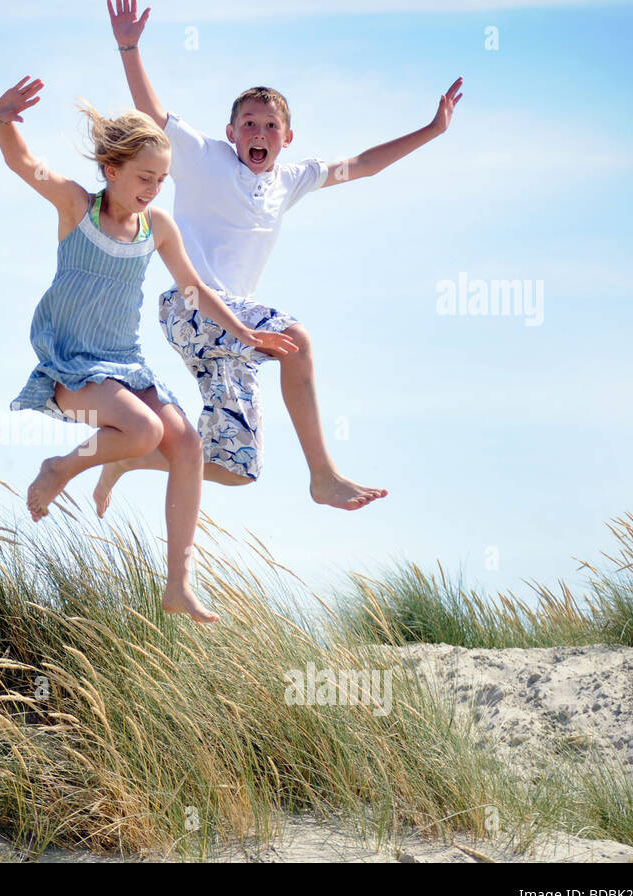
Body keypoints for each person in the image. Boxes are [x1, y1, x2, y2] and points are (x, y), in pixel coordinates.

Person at [100, 0, 462, 514]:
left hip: (234, 335)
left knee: (237, 467)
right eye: (249, 124)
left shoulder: (290, 180)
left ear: (287, 139)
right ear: (231, 133)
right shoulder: (203, 156)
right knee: (297, 339)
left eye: (271, 127)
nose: (259, 134)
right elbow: (153, 115)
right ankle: (324, 475)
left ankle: (131, 458)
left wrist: (431, 131)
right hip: (192, 310)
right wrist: (129, 47)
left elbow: (361, 165)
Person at [0, 77, 298, 623]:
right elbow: (24, 164)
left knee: (185, 445)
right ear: (111, 171)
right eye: (143, 177)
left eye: (161, 179)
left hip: (125, 366)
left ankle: (178, 584)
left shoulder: (156, 226)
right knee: (145, 432)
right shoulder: (77, 209)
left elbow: (195, 289)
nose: (154, 188)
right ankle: (60, 468)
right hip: (70, 368)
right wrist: (4, 117)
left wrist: (246, 335)